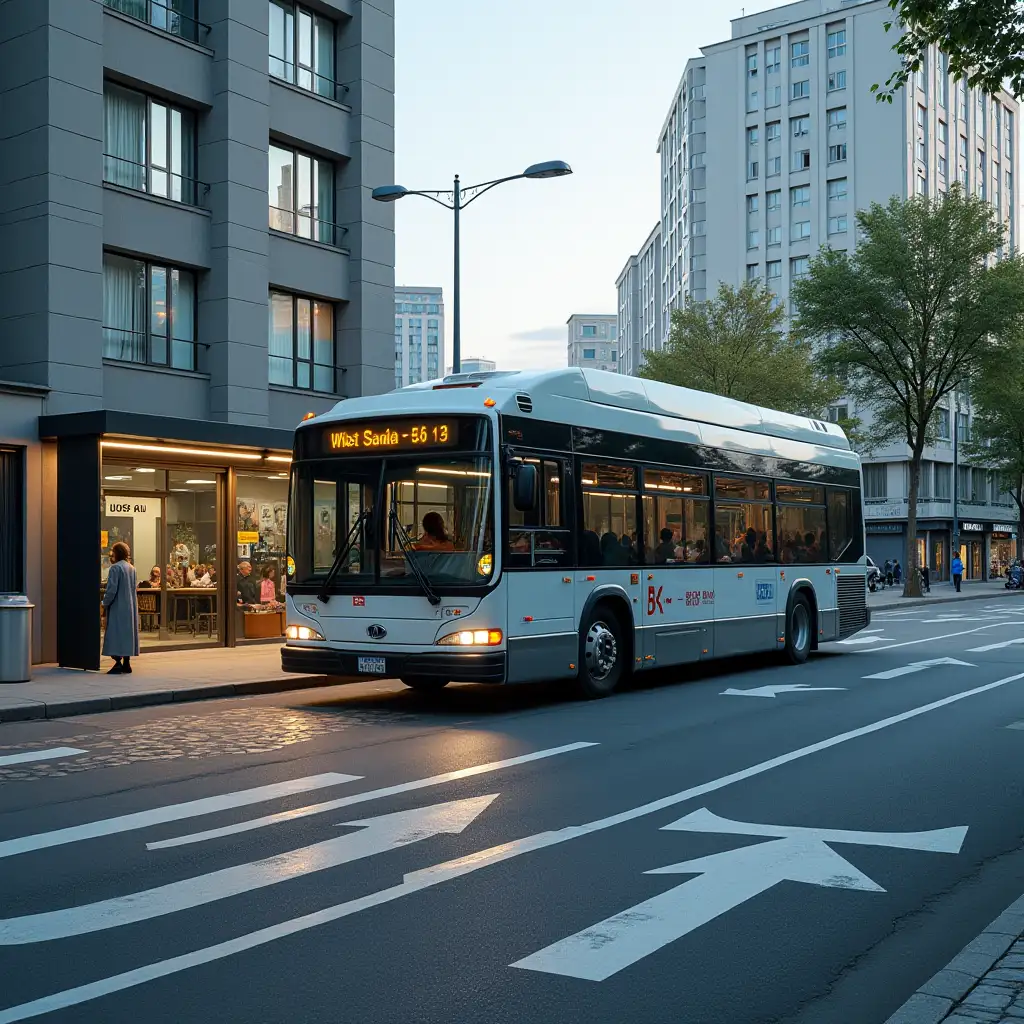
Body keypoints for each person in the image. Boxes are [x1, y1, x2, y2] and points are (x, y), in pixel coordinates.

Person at [102, 541, 139, 674]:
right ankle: (127, 662)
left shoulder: (115, 568)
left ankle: (117, 661)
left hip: (118, 605)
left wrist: (104, 603)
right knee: (127, 633)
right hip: (130, 605)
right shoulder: (131, 568)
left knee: (116, 633)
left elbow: (111, 590)